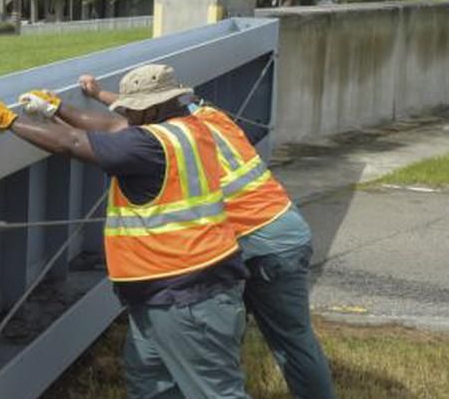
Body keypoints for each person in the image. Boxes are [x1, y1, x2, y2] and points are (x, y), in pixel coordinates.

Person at [0, 64, 250, 399]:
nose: (128, 117)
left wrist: (11, 122)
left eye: (133, 110)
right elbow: (112, 127)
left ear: (151, 109)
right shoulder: (191, 127)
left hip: (187, 299)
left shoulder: (150, 146)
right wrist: (56, 109)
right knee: (149, 384)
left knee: (216, 393)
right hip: (171, 293)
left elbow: (74, 142)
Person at [79, 73, 336, 399]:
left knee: (217, 332)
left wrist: (69, 106)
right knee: (292, 338)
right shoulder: (207, 115)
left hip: (253, 238)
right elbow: (140, 111)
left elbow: (120, 127)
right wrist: (101, 93)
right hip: (285, 229)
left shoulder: (175, 140)